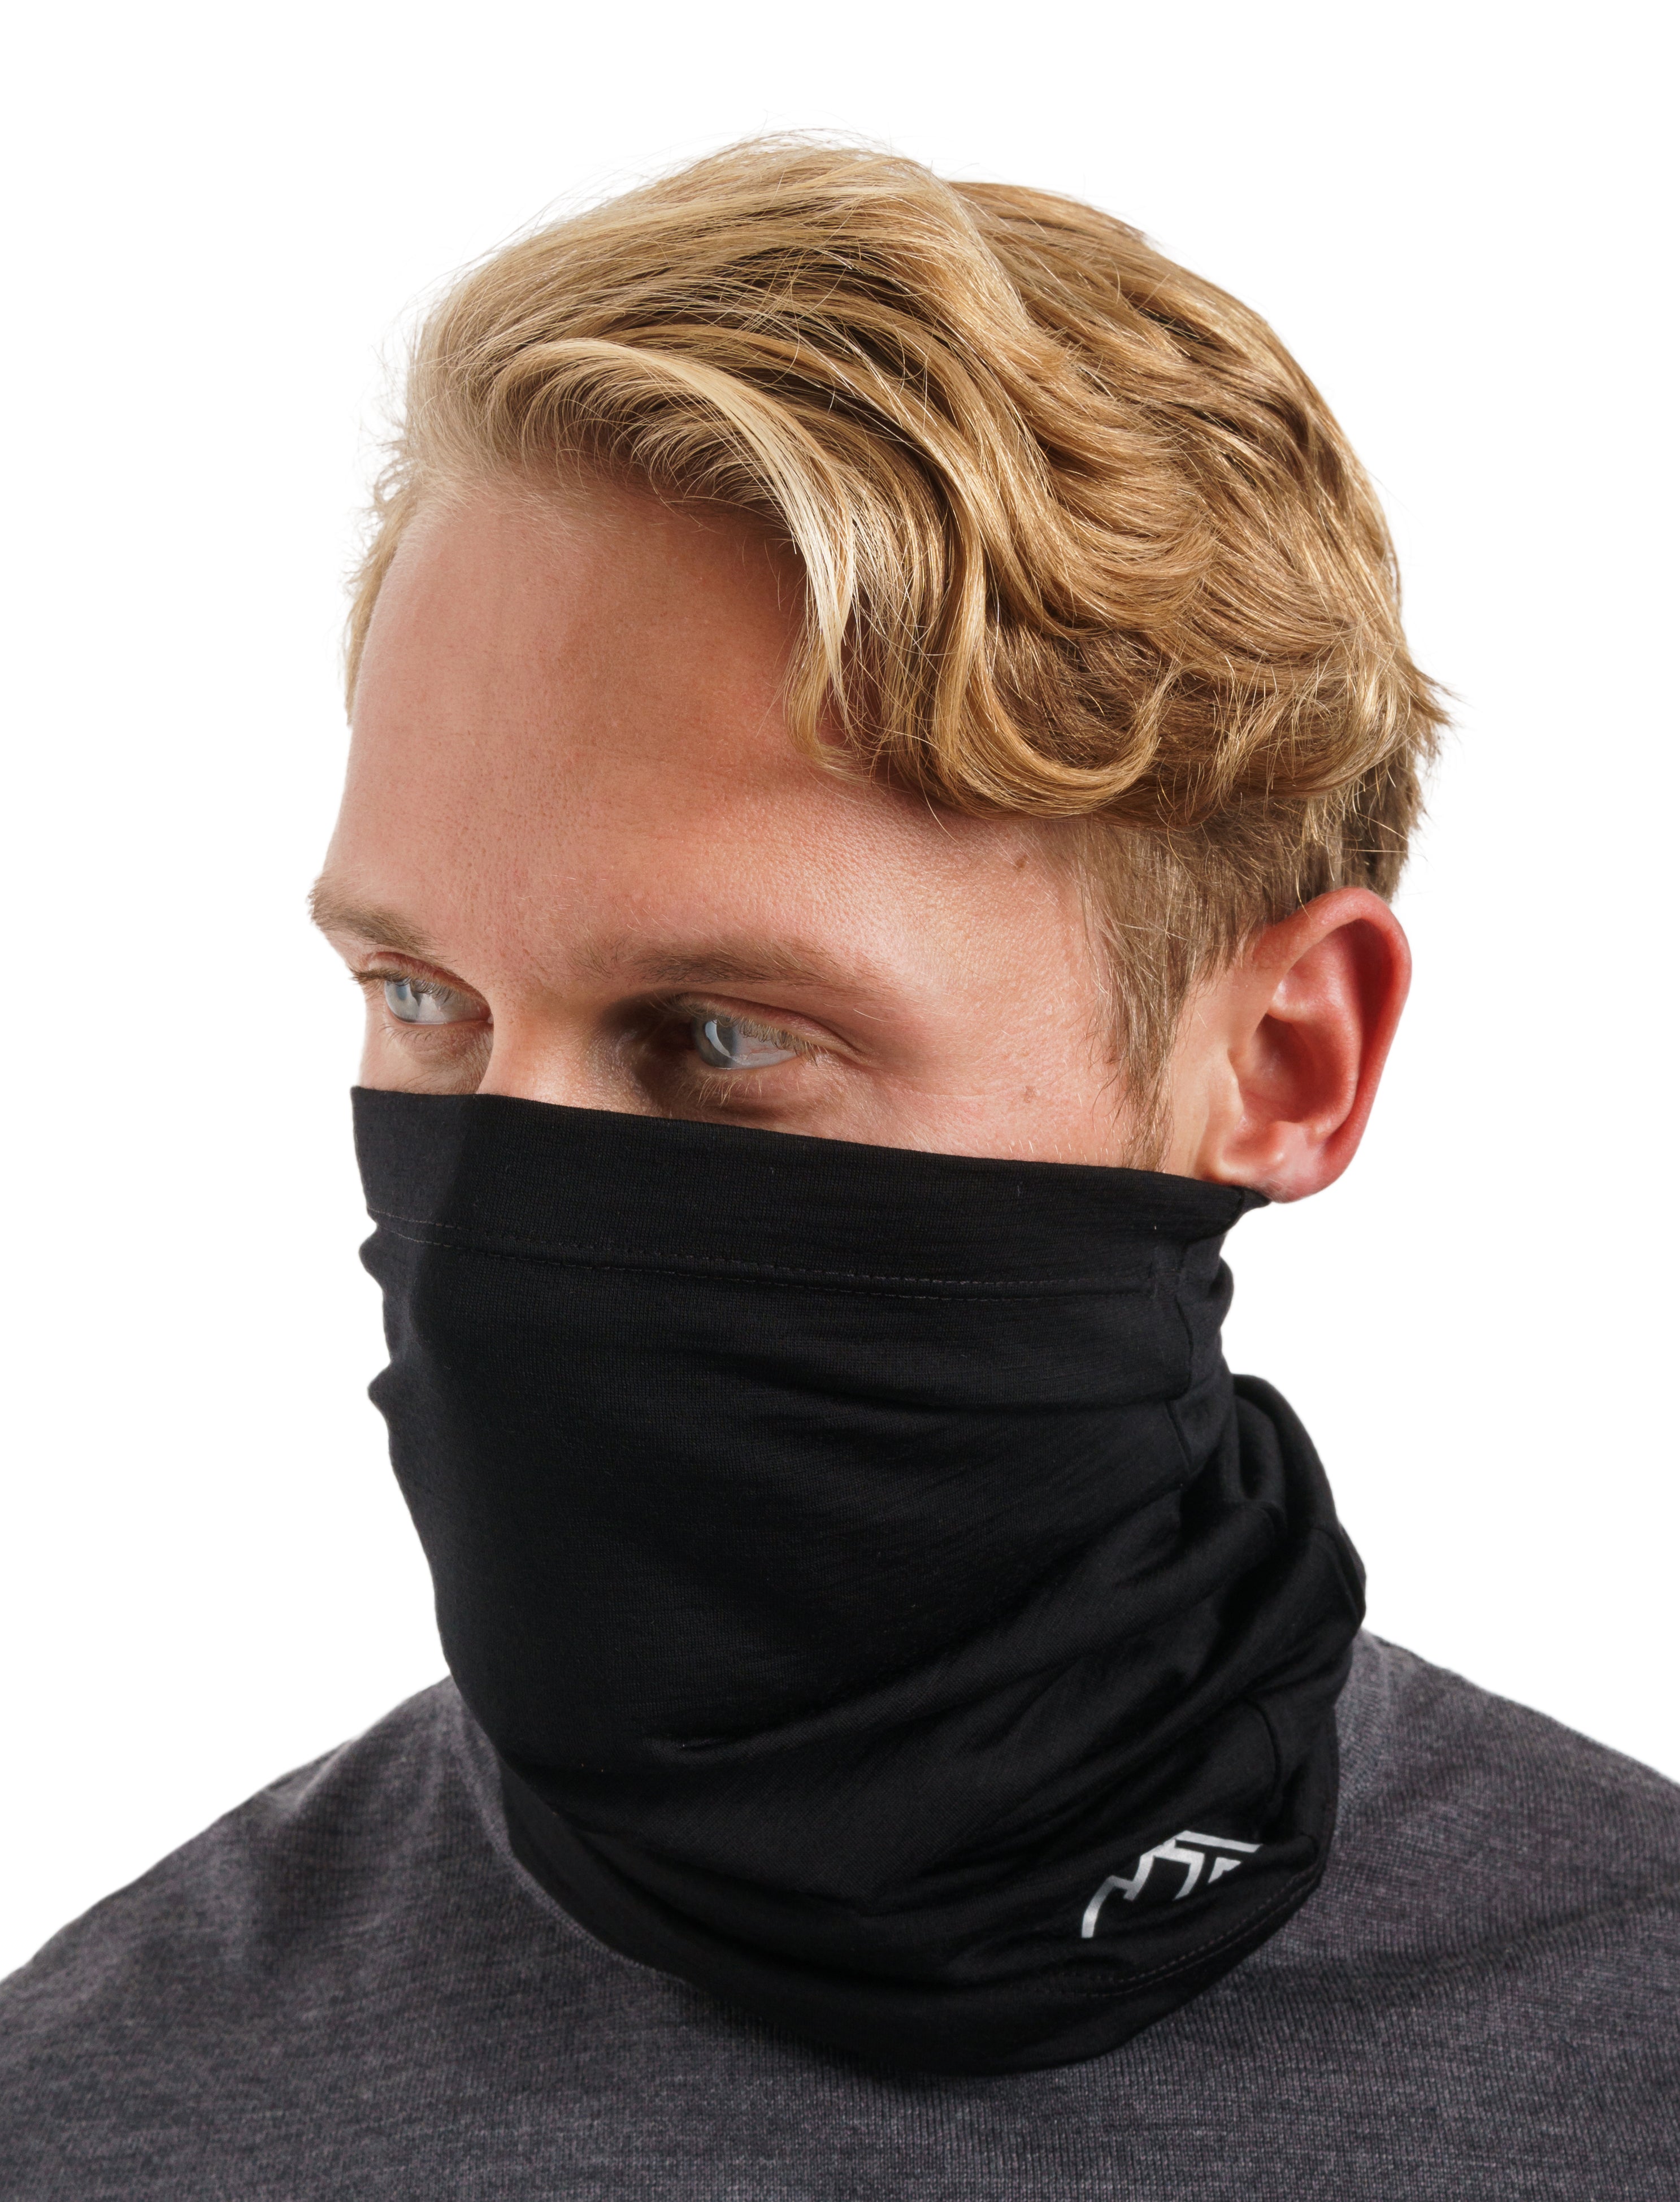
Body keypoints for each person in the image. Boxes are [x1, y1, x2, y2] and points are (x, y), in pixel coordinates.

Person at [3, 138, 1676, 2198]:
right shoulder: (95, 2113)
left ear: (1284, 1062)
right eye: (421, 998)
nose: (502, 1201)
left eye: (722, 1034)